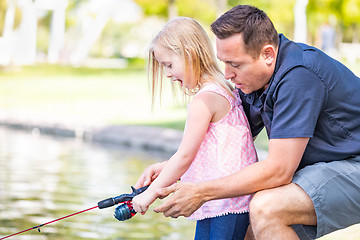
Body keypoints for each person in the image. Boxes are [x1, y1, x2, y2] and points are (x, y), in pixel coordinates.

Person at [135, 5, 360, 240]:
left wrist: (201, 192)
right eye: (224, 62)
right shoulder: (255, 79)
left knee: (267, 208)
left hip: (354, 163)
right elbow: (229, 140)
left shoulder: (299, 77)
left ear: (268, 54)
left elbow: (278, 171)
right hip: (329, 166)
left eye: (235, 64)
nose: (228, 74)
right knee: (248, 230)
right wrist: (171, 166)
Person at [132, 16, 258, 240]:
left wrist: (150, 194)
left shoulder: (204, 99)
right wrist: (165, 166)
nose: (168, 74)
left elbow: (185, 155)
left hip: (226, 205)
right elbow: (207, 149)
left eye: (169, 65)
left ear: (189, 53)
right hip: (222, 202)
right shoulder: (223, 88)